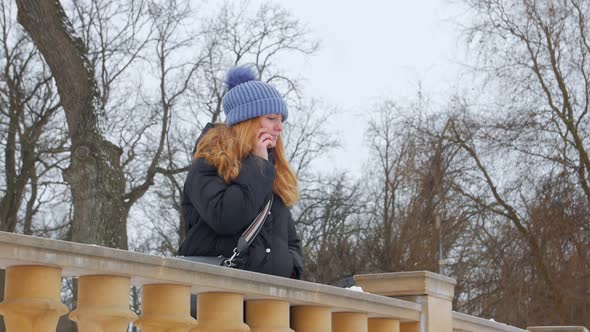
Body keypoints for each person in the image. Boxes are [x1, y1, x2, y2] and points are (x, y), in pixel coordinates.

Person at [178, 65, 304, 280]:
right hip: (223, 292)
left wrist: (292, 266)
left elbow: (289, 238)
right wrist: (257, 165)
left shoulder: (273, 172)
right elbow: (225, 218)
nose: (279, 127)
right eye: (272, 118)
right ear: (248, 121)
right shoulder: (209, 163)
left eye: (281, 120)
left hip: (273, 298)